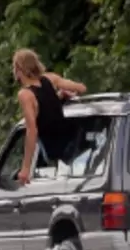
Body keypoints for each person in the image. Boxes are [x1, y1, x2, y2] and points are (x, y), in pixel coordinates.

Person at [12, 49, 88, 185]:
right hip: (74, 140)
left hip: (55, 150)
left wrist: (25, 169)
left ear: (18, 69)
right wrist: (59, 96)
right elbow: (81, 88)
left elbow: (32, 130)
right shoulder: (50, 79)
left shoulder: (25, 94)